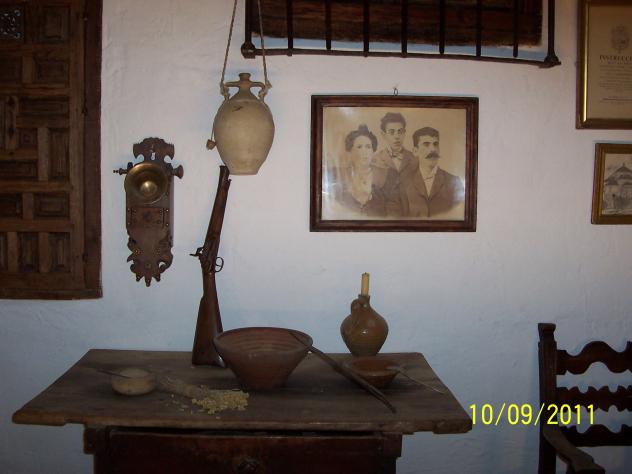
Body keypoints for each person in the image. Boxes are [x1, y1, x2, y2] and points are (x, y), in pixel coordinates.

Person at [400, 127, 464, 218]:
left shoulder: (453, 182)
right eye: (426, 144)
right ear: (415, 151)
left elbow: (459, 217)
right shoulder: (404, 182)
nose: (433, 149)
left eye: (435, 144)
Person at [334, 124, 386, 217]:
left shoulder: (385, 176)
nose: (365, 151)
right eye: (359, 147)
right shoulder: (340, 176)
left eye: (368, 147)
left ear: (373, 151)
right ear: (350, 151)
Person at [371, 112, 416, 217]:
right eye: (392, 132)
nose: (397, 136)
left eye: (400, 132)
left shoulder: (414, 159)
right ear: (383, 134)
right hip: (384, 216)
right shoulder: (375, 160)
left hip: (412, 216)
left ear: (404, 133)